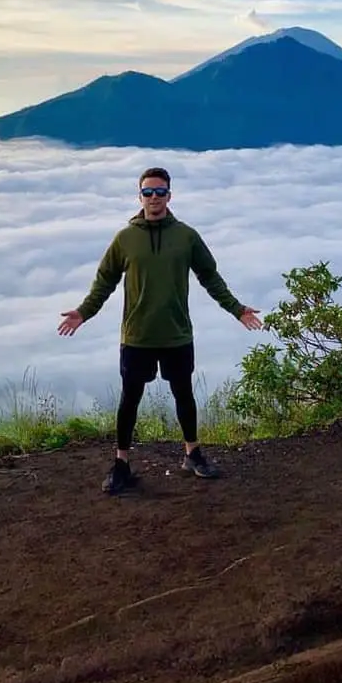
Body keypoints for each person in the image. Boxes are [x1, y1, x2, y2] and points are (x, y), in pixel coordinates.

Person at [58, 167, 263, 495]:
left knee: (184, 394)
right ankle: (121, 463)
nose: (154, 198)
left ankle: (192, 454)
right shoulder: (125, 239)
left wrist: (237, 309)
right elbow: (104, 282)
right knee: (130, 399)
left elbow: (209, 276)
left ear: (170, 195)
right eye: (148, 192)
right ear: (139, 197)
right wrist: (83, 313)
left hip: (176, 334)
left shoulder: (187, 236)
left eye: (160, 192)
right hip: (137, 336)